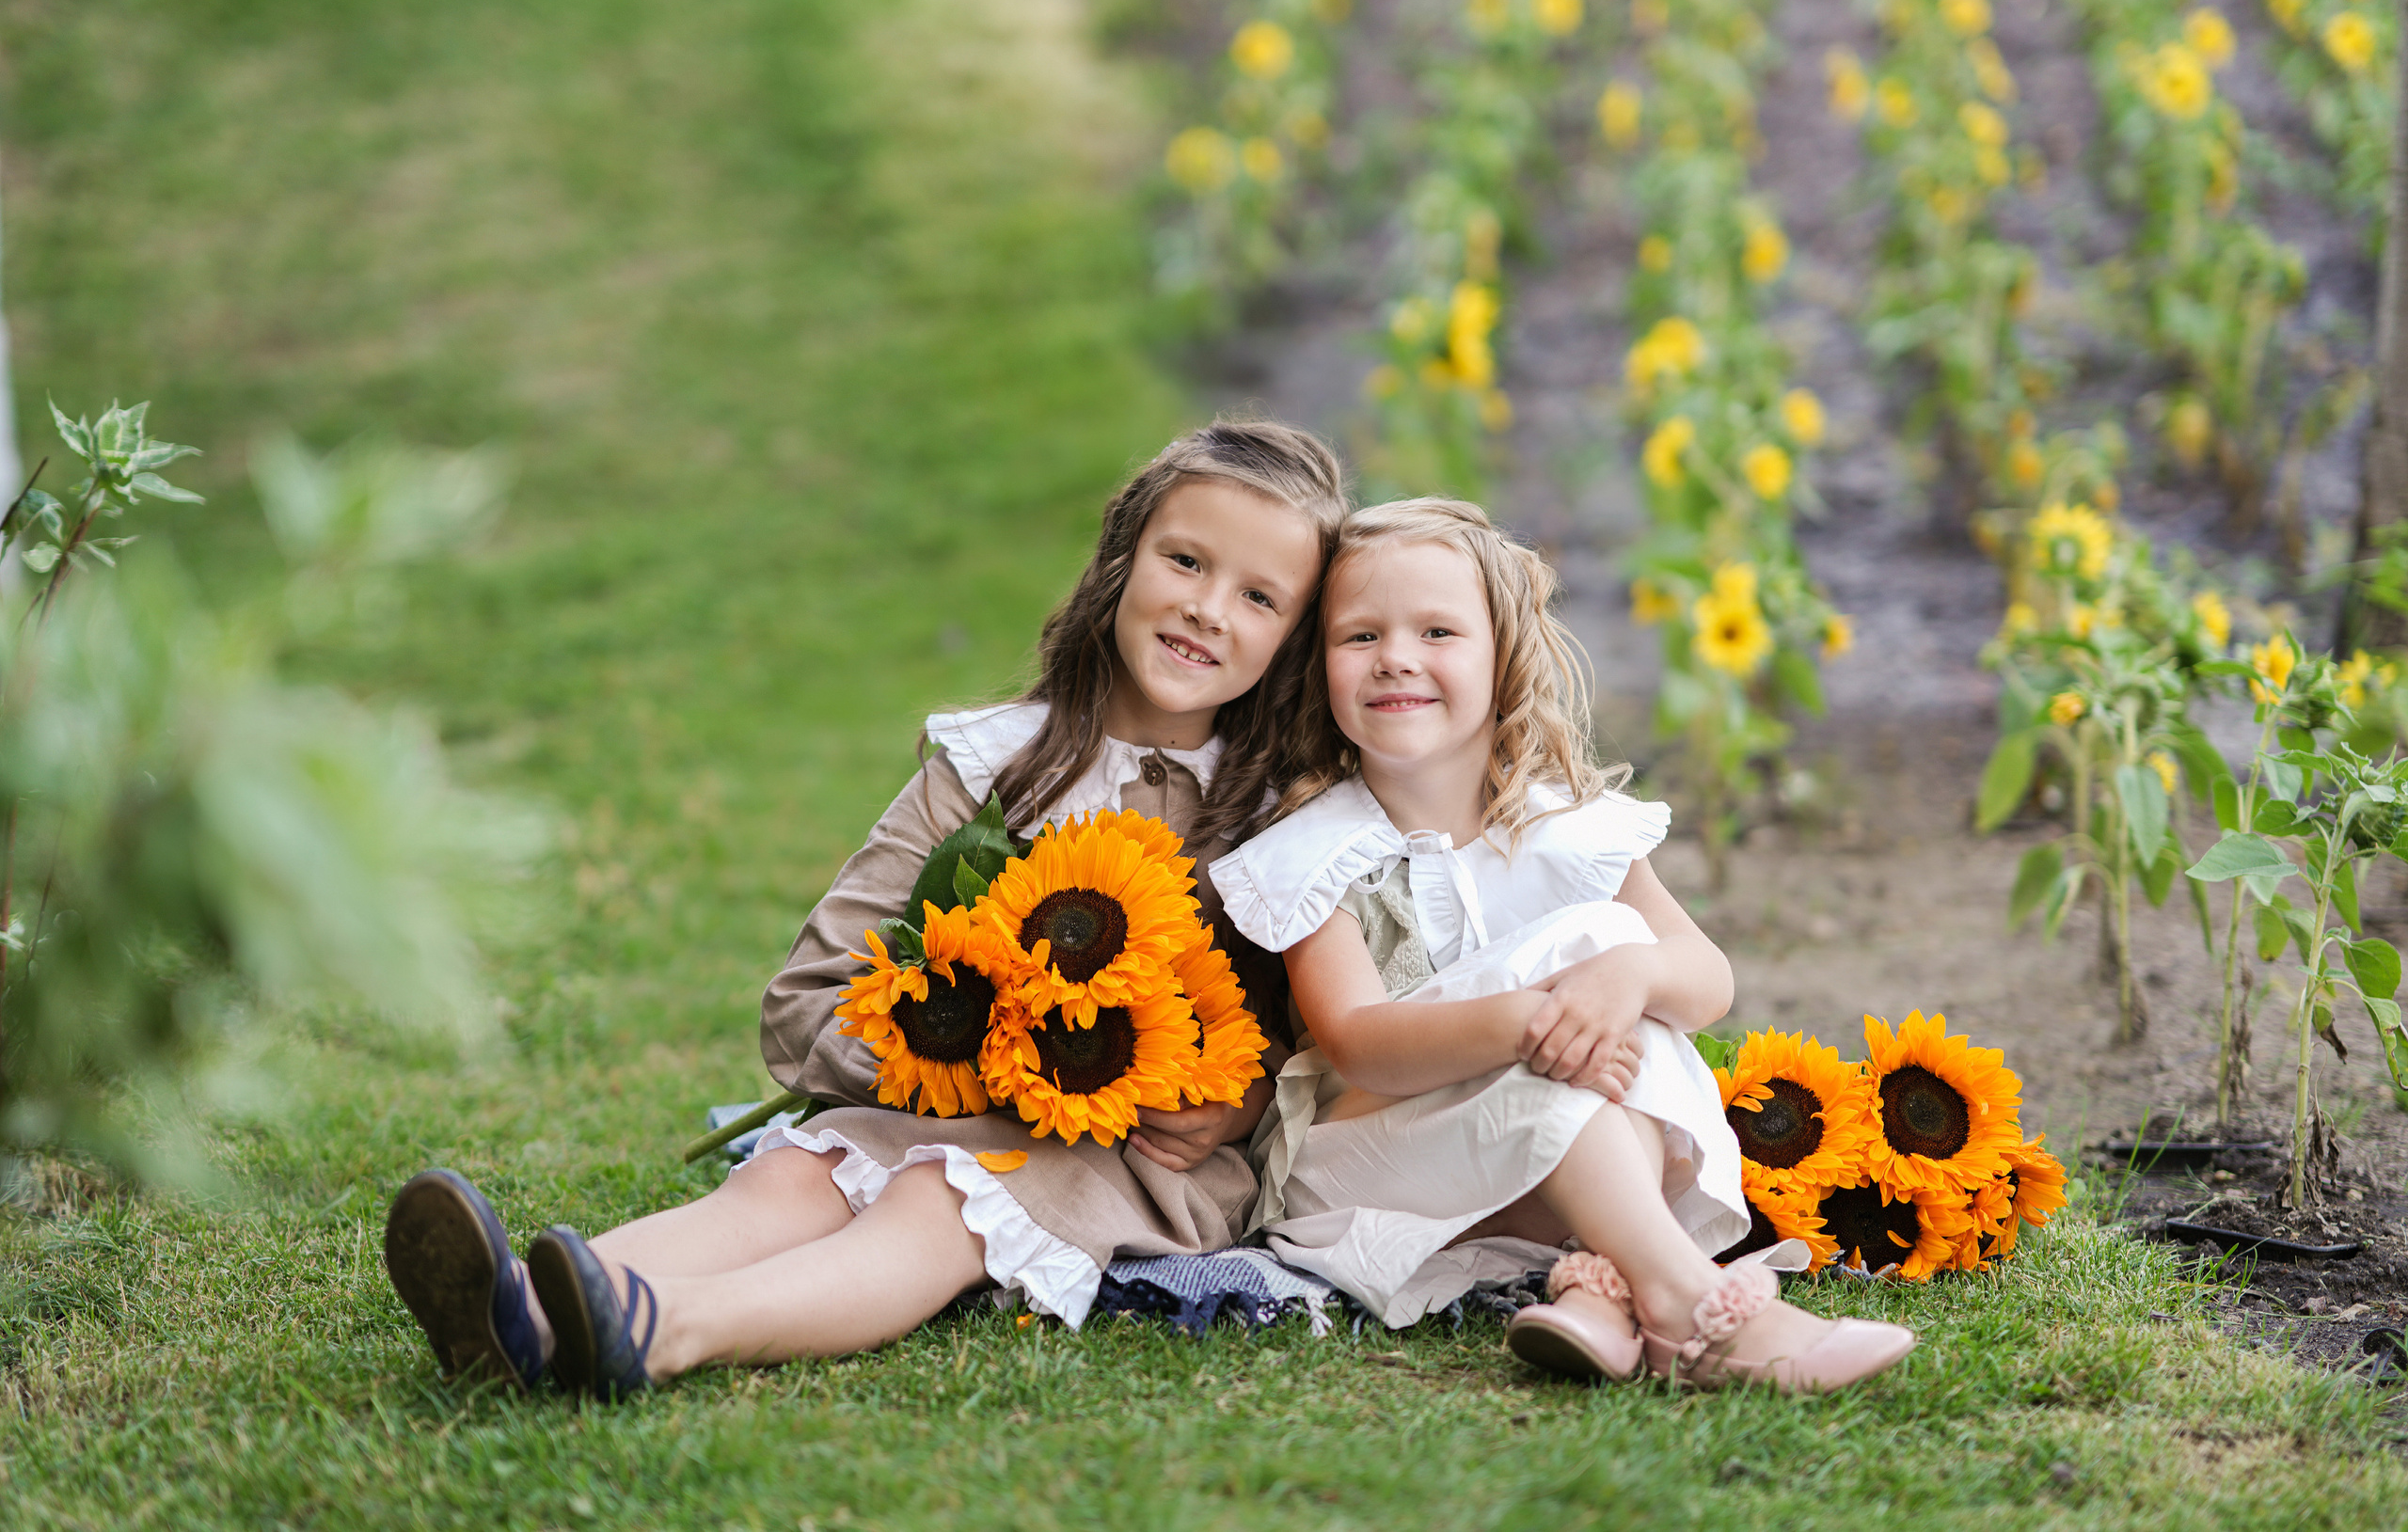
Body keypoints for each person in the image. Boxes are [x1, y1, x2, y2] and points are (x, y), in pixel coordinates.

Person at [383, 419, 1347, 1398]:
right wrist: (963, 1042)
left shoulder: (1279, 819)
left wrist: (1240, 1104)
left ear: (1294, 640)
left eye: (1258, 596)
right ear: (1120, 559)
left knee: (938, 1196)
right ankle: (522, 1306)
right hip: (943, 1104)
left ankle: (661, 1326)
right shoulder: (983, 772)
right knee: (794, 1172)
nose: (1207, 607)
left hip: (1134, 1160)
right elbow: (807, 1002)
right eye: (1184, 560)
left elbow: (1312, 1042)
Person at [1208, 498, 1914, 1392]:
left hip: (1538, 1170)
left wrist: (1627, 977)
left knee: (1621, 966)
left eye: (1437, 630)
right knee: (1590, 974)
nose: (1396, 657)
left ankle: (1606, 1288)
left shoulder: (1566, 829)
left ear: (1502, 658)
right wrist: (1529, 1022)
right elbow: (1357, 1042)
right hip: (1376, 1169)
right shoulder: (1315, 849)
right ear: (1320, 666)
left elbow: (1707, 980)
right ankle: (1699, 1310)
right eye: (1360, 637)